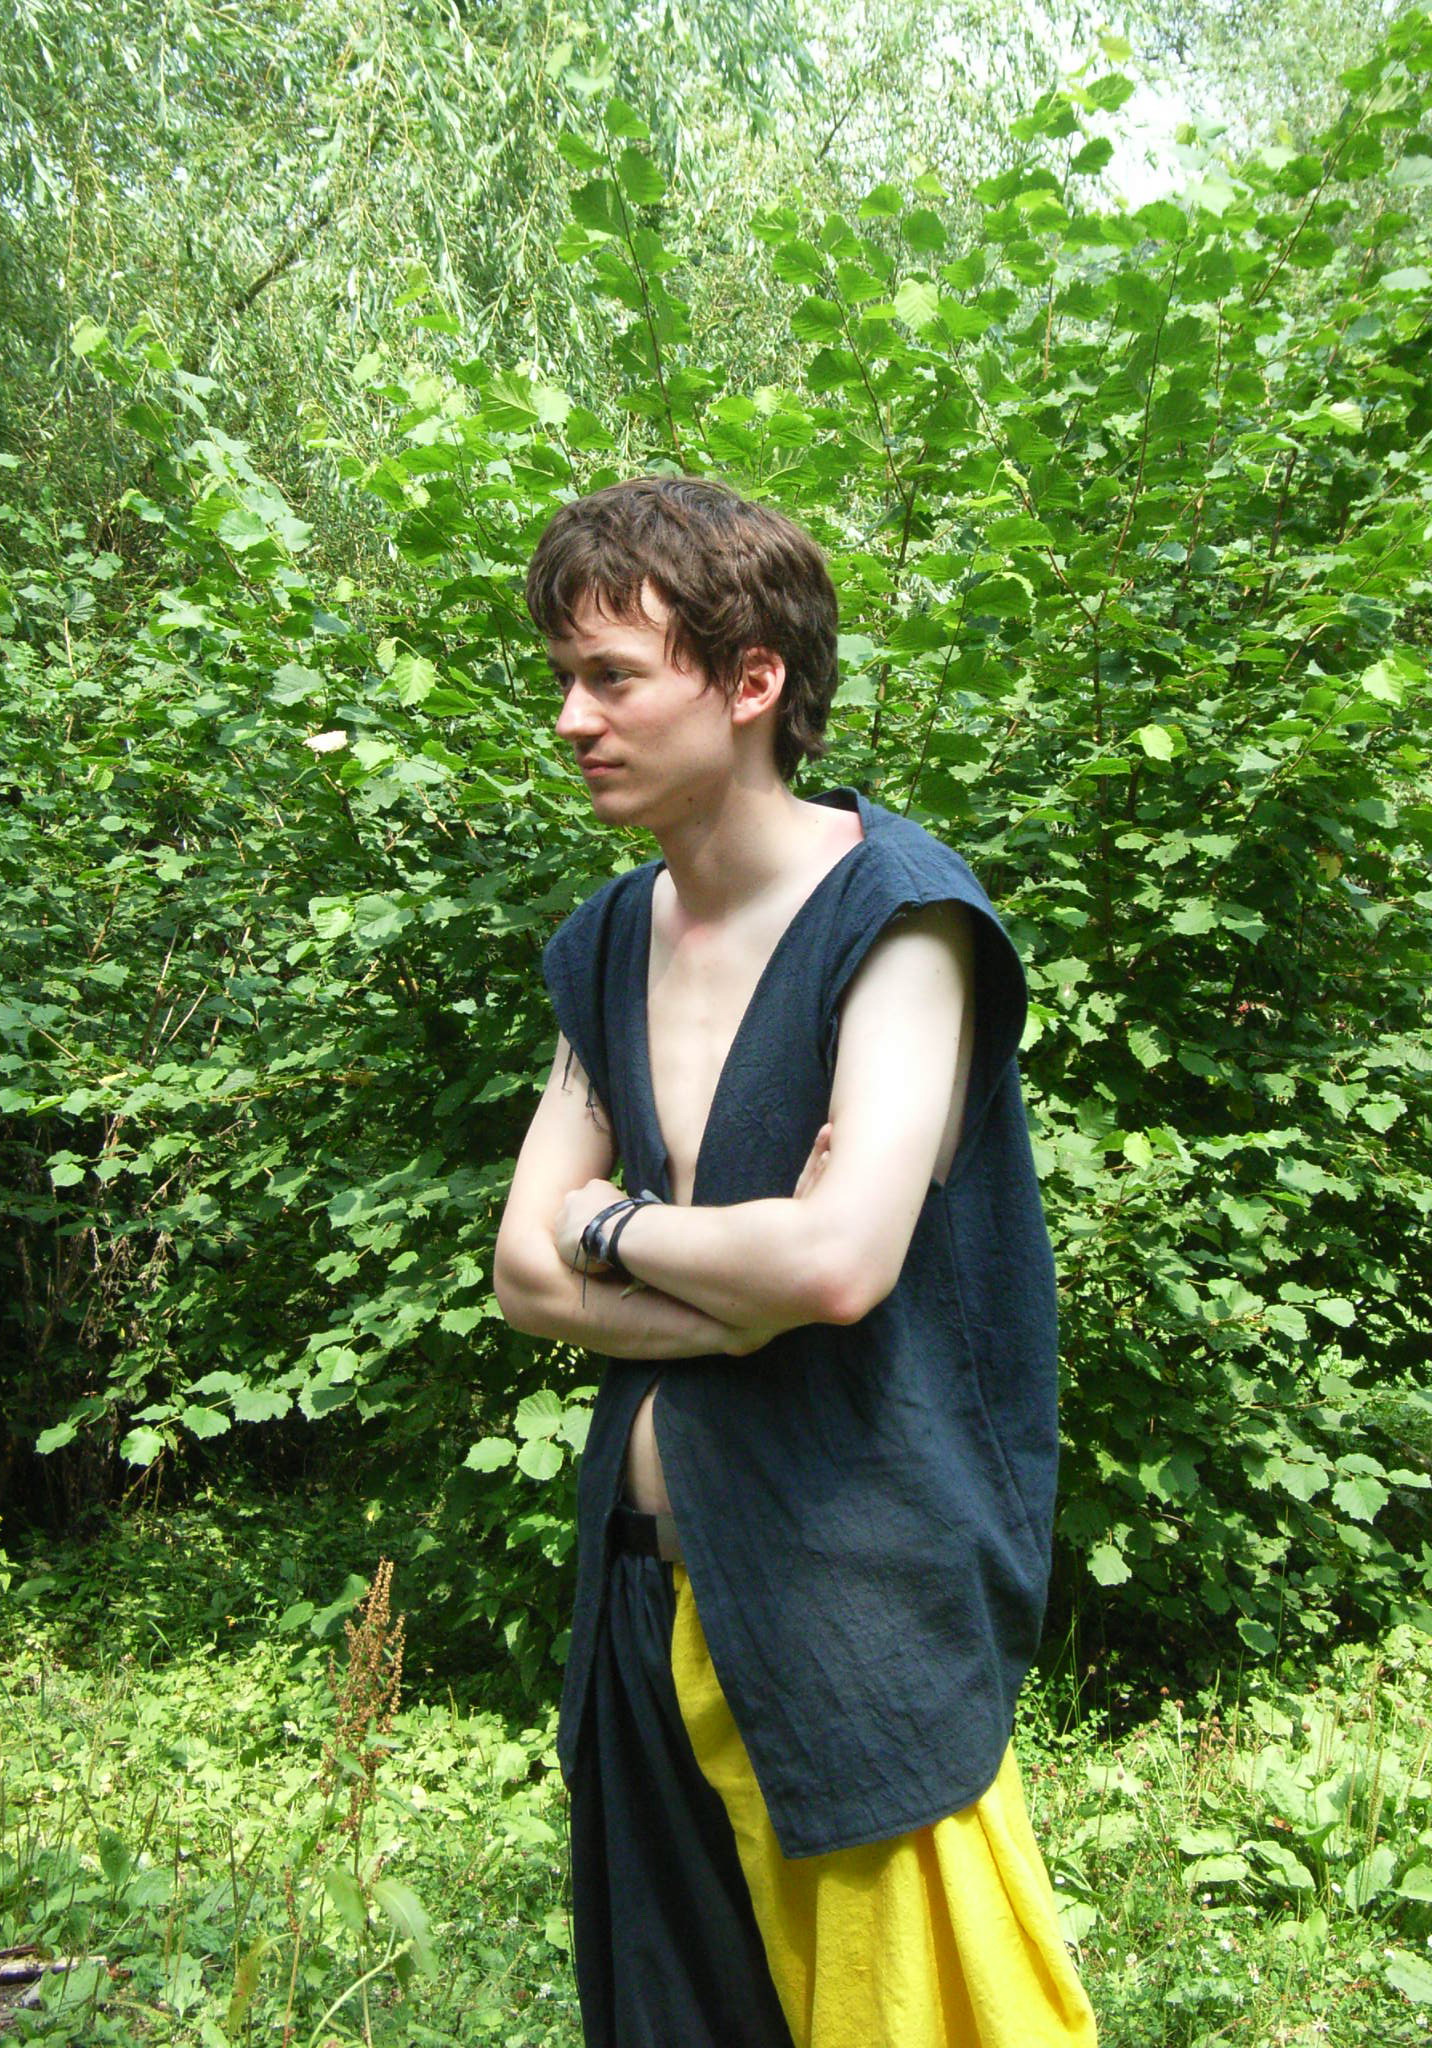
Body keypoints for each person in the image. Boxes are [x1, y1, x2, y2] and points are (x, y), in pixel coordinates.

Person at [493, 475, 1096, 2048]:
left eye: (611, 677)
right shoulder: (609, 941)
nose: (571, 718)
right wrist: (725, 1301)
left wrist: (612, 1224)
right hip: (637, 1595)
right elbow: (518, 1274)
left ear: (751, 680)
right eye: (562, 677)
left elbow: (834, 1264)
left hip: (849, 1601)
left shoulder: (903, 920)